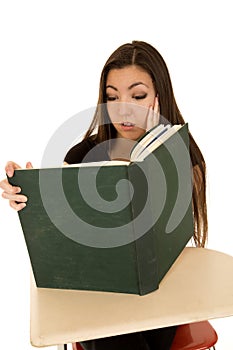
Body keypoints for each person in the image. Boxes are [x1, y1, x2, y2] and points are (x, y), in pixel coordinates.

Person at [0, 40, 208, 350]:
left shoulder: (183, 154)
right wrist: (31, 196)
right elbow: (61, 233)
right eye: (112, 97)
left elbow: (178, 232)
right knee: (111, 327)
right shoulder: (82, 153)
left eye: (138, 96)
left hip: (160, 290)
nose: (123, 110)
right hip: (96, 294)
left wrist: (153, 150)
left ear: (158, 97)